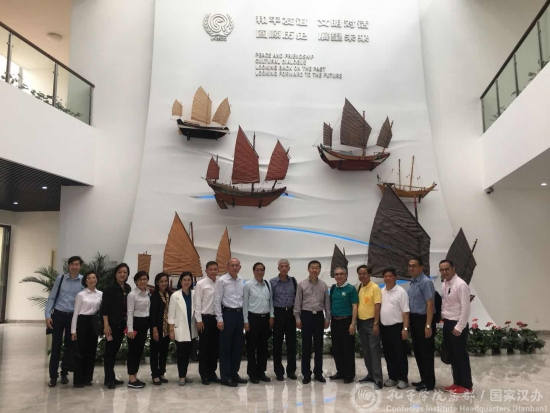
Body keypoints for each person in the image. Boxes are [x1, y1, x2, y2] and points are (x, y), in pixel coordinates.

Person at [45, 255, 84, 387]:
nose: (74, 267)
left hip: (73, 317)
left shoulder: (83, 280)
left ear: (80, 266)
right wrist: (47, 315)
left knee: (69, 346)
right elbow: (52, 297)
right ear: (69, 266)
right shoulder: (60, 279)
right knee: (55, 346)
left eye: (77, 264)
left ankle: (64, 373)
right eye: (72, 264)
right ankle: (53, 376)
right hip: (58, 315)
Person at [294, 260, 330, 384]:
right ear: (308, 269)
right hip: (306, 315)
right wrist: (297, 318)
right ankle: (306, 374)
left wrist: (327, 318)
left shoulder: (324, 285)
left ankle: (318, 373)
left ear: (320, 270)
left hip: (319, 316)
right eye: (312, 267)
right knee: (306, 347)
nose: (315, 270)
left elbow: (327, 304)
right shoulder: (301, 284)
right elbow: (297, 302)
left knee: (319, 346)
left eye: (317, 268)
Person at [440, 259, 473, 394]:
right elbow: (446, 303)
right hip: (448, 323)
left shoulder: (461, 285)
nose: (444, 272)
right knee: (453, 355)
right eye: (442, 270)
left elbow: (466, 308)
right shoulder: (444, 283)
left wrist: (459, 327)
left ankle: (466, 385)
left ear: (453, 269)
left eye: (447, 269)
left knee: (461, 356)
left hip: (457, 324)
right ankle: (457, 382)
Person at [214, 257, 247, 387]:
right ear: (227, 267)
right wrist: (219, 319)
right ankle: (225, 376)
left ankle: (234, 374)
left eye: (237, 265)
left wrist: (245, 319)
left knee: (237, 347)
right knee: (226, 348)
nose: (234, 267)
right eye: (232, 265)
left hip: (239, 315)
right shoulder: (222, 281)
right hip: (227, 315)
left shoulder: (242, 281)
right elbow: (217, 300)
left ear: (240, 267)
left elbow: (243, 300)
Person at [407, 257, 436, 392]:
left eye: (414, 266)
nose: (411, 268)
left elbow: (430, 304)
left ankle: (429, 383)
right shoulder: (413, 282)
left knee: (426, 353)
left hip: (424, 320)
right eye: (409, 266)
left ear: (421, 267)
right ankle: (424, 379)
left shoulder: (426, 282)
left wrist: (428, 325)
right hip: (414, 320)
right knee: (418, 352)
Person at [101, 262, 131, 389]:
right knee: (110, 352)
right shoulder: (109, 289)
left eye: (125, 272)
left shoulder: (127, 288)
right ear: (115, 274)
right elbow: (104, 309)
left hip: (122, 325)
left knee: (114, 352)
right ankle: (109, 380)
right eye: (120, 272)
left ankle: (111, 377)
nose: (122, 274)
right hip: (112, 325)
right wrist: (106, 325)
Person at [70, 271, 103, 387]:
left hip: (93, 322)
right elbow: (75, 313)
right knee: (80, 352)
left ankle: (88, 378)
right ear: (85, 281)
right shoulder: (81, 295)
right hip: (82, 322)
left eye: (94, 277)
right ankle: (78, 380)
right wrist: (73, 331)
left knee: (91, 352)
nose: (92, 280)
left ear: (97, 279)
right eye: (89, 278)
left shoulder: (100, 294)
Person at [244, 262, 274, 383]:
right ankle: (252, 373)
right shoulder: (248, 285)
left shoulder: (267, 284)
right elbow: (244, 304)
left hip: (265, 319)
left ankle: (261, 372)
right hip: (253, 319)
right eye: (257, 270)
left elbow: (270, 302)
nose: (260, 272)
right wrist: (245, 321)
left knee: (263, 347)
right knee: (251, 348)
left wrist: (271, 316)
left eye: (262, 270)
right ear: (253, 271)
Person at [379, 268, 410, 390]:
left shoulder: (401, 292)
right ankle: (392, 377)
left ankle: (403, 379)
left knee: (400, 354)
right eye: (385, 276)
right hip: (384, 328)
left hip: (397, 328)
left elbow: (405, 312)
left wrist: (405, 328)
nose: (387, 278)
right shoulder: (382, 291)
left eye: (390, 276)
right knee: (388, 354)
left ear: (395, 277)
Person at [329, 266, 358, 384]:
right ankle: (340, 372)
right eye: (336, 274)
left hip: (347, 321)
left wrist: (353, 323)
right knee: (337, 348)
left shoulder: (351, 289)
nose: (339, 276)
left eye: (341, 274)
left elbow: (355, 306)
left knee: (348, 349)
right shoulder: (333, 288)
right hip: (335, 321)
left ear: (346, 275)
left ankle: (349, 374)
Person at [168, 271, 199, 385]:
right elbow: (171, 315)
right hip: (180, 329)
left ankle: (184, 375)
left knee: (188, 354)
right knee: (181, 355)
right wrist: (171, 330)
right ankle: (181, 377)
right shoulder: (175, 295)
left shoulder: (195, 294)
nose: (187, 282)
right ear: (180, 281)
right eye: (184, 280)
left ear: (192, 282)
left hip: (192, 329)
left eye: (189, 280)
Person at [270, 258, 298, 381]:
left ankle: (291, 371)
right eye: (282, 266)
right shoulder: (272, 282)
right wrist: (271, 316)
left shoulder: (293, 281)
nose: (284, 268)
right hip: (278, 313)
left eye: (286, 266)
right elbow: (270, 300)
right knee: (277, 344)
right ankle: (279, 372)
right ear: (278, 268)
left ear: (289, 268)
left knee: (292, 344)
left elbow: (297, 299)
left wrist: (297, 316)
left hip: (290, 314)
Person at [356, 265, 383, 389]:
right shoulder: (360, 287)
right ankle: (370, 375)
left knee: (374, 351)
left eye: (364, 273)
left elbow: (377, 306)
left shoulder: (375, 287)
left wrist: (376, 323)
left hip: (372, 322)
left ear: (369, 274)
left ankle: (378, 379)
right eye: (360, 274)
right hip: (361, 323)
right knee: (366, 351)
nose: (362, 276)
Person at [194, 261, 220, 385]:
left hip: (217, 319)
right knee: (204, 348)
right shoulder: (201, 284)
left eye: (215, 269)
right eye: (211, 269)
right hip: (205, 319)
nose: (213, 271)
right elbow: (197, 303)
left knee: (214, 348)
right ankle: (204, 374)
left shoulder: (220, 283)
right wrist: (199, 320)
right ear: (206, 271)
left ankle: (212, 372)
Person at [126, 270, 151, 389]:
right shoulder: (132, 295)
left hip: (144, 323)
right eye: (140, 279)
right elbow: (129, 312)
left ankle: (134, 376)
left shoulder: (147, 293)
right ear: (136, 281)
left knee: (139, 351)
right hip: (135, 324)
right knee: (133, 351)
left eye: (145, 279)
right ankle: (131, 379)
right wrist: (130, 329)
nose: (143, 281)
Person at [149, 272, 171, 385]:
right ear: (157, 283)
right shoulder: (154, 296)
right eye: (161, 281)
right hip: (157, 328)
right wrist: (154, 329)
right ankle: (155, 375)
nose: (164, 283)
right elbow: (152, 314)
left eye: (165, 281)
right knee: (155, 352)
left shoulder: (169, 294)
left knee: (164, 352)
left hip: (167, 328)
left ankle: (161, 373)